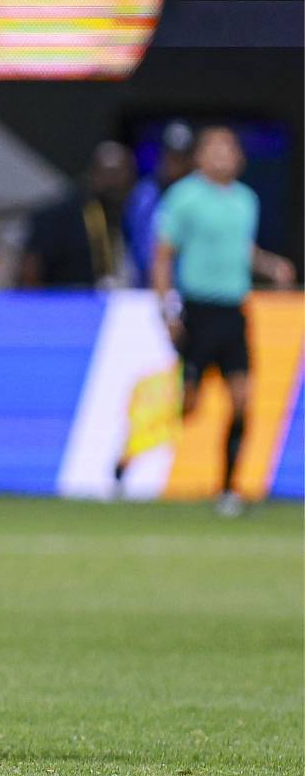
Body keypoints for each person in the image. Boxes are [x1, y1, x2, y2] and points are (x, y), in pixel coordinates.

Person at [151, 126, 297, 515]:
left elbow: (241, 247)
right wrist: (165, 308)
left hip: (233, 310)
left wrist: (269, 265)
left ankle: (229, 487)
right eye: (214, 148)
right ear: (199, 157)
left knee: (242, 397)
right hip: (197, 309)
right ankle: (127, 459)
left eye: (229, 148)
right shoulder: (184, 197)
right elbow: (163, 254)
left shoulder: (246, 201)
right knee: (190, 403)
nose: (223, 156)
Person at [19, 142, 135, 289]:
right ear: (94, 174)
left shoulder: (129, 216)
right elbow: (31, 269)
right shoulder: (60, 217)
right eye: (110, 174)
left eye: (123, 174)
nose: (115, 182)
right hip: (64, 303)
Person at [124, 121, 194, 283]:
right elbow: (138, 247)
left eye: (181, 157)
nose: (175, 162)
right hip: (146, 286)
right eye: (171, 155)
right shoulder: (145, 193)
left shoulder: (199, 194)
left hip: (191, 288)